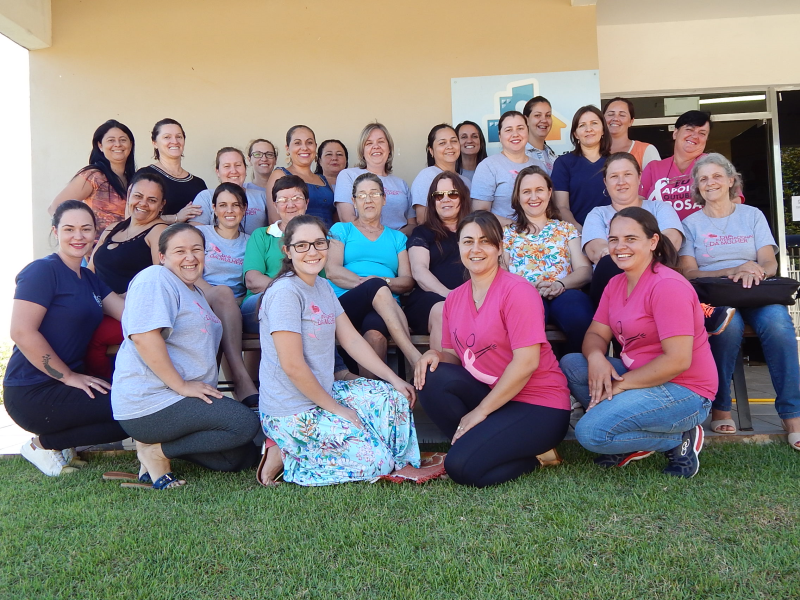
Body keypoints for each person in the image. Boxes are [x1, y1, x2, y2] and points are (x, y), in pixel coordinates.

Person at [258, 214, 420, 486]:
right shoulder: (285, 293)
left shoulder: (321, 286)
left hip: (325, 391)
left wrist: (394, 379)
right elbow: (292, 366)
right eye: (302, 245)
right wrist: (338, 410)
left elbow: (352, 340)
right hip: (291, 410)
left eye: (319, 243)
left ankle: (381, 452)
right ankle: (287, 455)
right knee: (377, 462)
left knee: (392, 397)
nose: (312, 252)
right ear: (287, 250)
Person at [413, 211, 571, 487]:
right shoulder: (454, 299)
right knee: (432, 376)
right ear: (459, 247)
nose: (476, 249)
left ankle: (536, 455)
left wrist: (481, 411)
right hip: (497, 397)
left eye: (485, 242)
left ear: (499, 248)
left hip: (539, 405)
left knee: (461, 468)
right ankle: (476, 441)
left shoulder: (518, 291)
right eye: (468, 241)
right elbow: (453, 358)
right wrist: (433, 355)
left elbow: (526, 363)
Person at [560, 207, 716, 478]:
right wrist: (597, 358)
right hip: (640, 377)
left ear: (653, 242)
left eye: (630, 239)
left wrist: (621, 386)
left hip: (684, 389)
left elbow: (678, 360)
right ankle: (631, 430)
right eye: (613, 239)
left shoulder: (668, 286)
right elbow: (596, 334)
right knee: (573, 364)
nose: (620, 247)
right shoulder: (616, 284)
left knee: (590, 433)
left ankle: (678, 438)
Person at [111, 224, 261, 490]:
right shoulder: (155, 278)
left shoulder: (196, 292)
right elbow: (145, 337)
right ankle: (155, 454)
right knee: (243, 423)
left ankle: (155, 447)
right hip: (153, 400)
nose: (190, 257)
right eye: (180, 251)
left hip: (184, 402)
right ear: (162, 257)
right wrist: (181, 385)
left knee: (239, 457)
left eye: (197, 250)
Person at [679, 153, 800, 446]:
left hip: (756, 289)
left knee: (779, 326)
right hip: (716, 296)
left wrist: (754, 271)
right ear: (697, 186)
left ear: (731, 181)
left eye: (717, 176)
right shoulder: (690, 223)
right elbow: (688, 271)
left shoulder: (752, 215)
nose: (711, 183)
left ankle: (792, 415)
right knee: (727, 328)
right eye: (704, 178)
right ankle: (721, 407)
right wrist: (733, 270)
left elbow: (770, 263)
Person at [4, 201, 127, 476]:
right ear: (55, 232)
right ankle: (42, 444)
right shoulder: (42, 271)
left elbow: (126, 314)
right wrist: (68, 377)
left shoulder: (89, 279)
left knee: (134, 407)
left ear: (96, 234)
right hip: (31, 390)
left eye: (86, 229)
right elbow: (21, 332)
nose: (78, 236)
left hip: (65, 387)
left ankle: (63, 444)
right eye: (69, 229)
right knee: (128, 408)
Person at [327, 173, 423, 376]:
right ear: (353, 201)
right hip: (347, 304)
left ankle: (373, 398)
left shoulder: (397, 237)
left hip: (385, 310)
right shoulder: (341, 230)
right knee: (376, 286)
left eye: (374, 194)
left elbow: (407, 281)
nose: (368, 200)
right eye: (361, 195)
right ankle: (414, 357)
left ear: (384, 199)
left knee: (376, 336)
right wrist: (370, 286)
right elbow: (332, 271)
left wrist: (381, 283)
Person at [85, 171, 170, 378]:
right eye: (138, 196)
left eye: (152, 200)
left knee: (92, 337)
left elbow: (162, 279)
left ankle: (105, 394)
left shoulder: (158, 231)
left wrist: (124, 296)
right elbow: (90, 270)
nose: (143, 203)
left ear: (162, 205)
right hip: (96, 308)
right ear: (129, 195)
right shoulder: (113, 228)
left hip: (131, 314)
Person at [503, 166, 593, 354]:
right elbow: (502, 274)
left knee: (579, 315)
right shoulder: (508, 233)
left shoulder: (566, 229)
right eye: (526, 192)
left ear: (550, 192)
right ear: (518, 197)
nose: (534, 197)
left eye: (539, 190)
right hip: (525, 295)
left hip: (564, 290)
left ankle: (574, 369)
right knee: (527, 315)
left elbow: (584, 270)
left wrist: (559, 284)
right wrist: (528, 288)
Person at [582, 152, 684, 306]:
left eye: (627, 174)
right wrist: (642, 250)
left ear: (639, 177)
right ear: (605, 182)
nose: (621, 182)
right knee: (609, 262)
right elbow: (597, 252)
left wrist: (623, 252)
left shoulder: (660, 208)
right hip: (612, 289)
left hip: (659, 285)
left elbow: (671, 243)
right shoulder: (597, 214)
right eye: (614, 176)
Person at [192, 183, 259, 406]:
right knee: (222, 293)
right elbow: (188, 271)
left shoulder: (251, 242)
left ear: (244, 209)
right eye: (222, 205)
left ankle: (213, 396)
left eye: (235, 205)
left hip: (235, 306)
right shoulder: (201, 234)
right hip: (199, 296)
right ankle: (241, 380)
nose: (229, 211)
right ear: (214, 208)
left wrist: (230, 299)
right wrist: (214, 292)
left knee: (225, 300)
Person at [406, 171, 471, 351]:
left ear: (462, 198)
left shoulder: (476, 230)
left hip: (472, 299)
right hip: (430, 299)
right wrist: (450, 296)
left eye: (452, 194)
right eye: (438, 195)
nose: (445, 199)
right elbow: (419, 271)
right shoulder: (422, 232)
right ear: (433, 201)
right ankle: (443, 375)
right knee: (444, 311)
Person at [49, 120, 136, 237]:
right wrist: (79, 237)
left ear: (130, 144)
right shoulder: (93, 176)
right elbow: (55, 208)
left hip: (126, 248)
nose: (118, 144)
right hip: (97, 250)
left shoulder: (134, 179)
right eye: (111, 140)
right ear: (100, 145)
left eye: (123, 140)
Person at [334, 122, 416, 234]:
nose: (375, 146)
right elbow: (346, 218)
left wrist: (393, 240)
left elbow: (412, 224)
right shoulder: (348, 175)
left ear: (389, 148)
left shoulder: (401, 183)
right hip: (363, 243)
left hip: (399, 245)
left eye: (381, 142)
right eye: (369, 143)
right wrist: (378, 240)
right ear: (362, 151)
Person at [640, 110, 719, 220]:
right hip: (663, 235)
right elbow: (639, 206)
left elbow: (734, 201)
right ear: (675, 133)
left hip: (705, 235)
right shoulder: (653, 168)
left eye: (702, 133)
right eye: (689, 129)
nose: (695, 136)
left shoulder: (715, 164)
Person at [471, 111, 547, 224]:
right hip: (503, 237)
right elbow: (480, 212)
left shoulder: (540, 166)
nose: (515, 134)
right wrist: (516, 227)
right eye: (508, 130)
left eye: (520, 128)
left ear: (528, 131)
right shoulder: (488, 166)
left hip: (540, 236)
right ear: (500, 136)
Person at [551, 105, 611, 231]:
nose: (588, 129)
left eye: (594, 123)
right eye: (582, 125)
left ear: (603, 130)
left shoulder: (615, 162)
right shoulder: (563, 163)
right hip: (577, 234)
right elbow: (562, 207)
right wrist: (579, 230)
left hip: (613, 233)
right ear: (576, 134)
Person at [137, 118, 207, 223]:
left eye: (179, 137)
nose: (174, 141)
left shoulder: (198, 183)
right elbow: (133, 217)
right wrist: (176, 217)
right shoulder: (144, 175)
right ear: (155, 143)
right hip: (155, 238)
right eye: (167, 137)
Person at [265, 125, 336, 227]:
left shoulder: (323, 179)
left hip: (330, 240)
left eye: (309, 143)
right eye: (297, 143)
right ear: (287, 148)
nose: (304, 147)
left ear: (315, 146)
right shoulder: (280, 174)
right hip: (299, 240)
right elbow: (274, 220)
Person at [191, 147, 268, 234]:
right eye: (227, 166)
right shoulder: (205, 197)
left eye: (238, 165)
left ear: (245, 169)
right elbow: (195, 235)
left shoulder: (262, 196)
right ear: (218, 172)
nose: (233, 171)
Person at [411, 124, 471, 223]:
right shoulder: (426, 176)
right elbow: (422, 219)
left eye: (454, 141)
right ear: (431, 151)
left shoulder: (466, 181)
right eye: (442, 143)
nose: (450, 146)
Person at [602, 97, 660, 169]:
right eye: (610, 114)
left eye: (622, 115)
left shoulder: (646, 150)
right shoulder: (593, 150)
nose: (615, 118)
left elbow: (656, 179)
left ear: (631, 121)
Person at [523, 96, 558, 174]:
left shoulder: (554, 157)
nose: (544, 120)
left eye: (548, 115)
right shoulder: (519, 155)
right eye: (537, 115)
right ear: (526, 120)